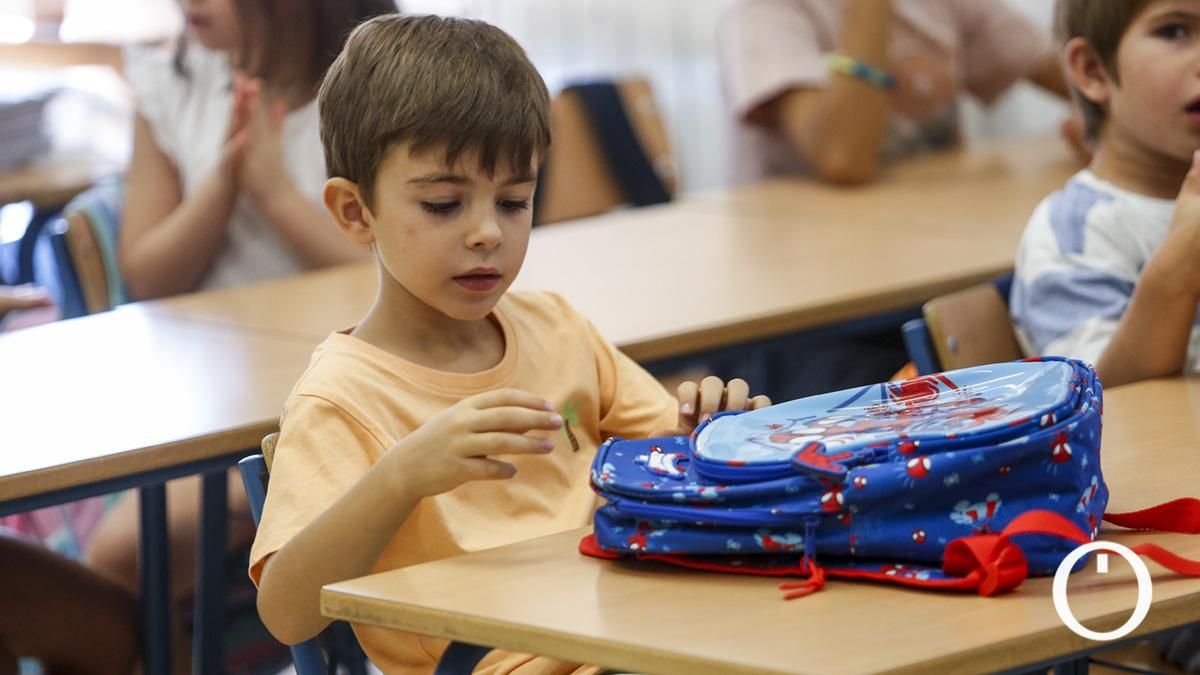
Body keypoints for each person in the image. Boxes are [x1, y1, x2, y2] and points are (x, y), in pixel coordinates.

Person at [248, 15, 771, 673]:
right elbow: (287, 613)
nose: (488, 233)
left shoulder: (556, 326)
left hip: (636, 632)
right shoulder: (341, 398)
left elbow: (667, 462)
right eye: (444, 204)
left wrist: (708, 436)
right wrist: (402, 476)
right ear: (356, 213)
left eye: (515, 201)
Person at [84, 0, 396, 655]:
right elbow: (146, 275)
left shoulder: (381, 81)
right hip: (214, 410)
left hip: (360, 398)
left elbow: (403, 272)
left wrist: (275, 195)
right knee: (115, 562)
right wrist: (224, 183)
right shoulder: (173, 80)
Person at [1011, 0, 1200, 389]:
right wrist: (1180, 261)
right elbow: (1105, 400)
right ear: (1093, 70)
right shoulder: (1072, 234)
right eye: (1174, 31)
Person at [719, 0, 1073, 185]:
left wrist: (1095, 124)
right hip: (808, 264)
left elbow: (1079, 77)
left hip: (932, 244)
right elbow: (844, 158)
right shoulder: (762, 11)